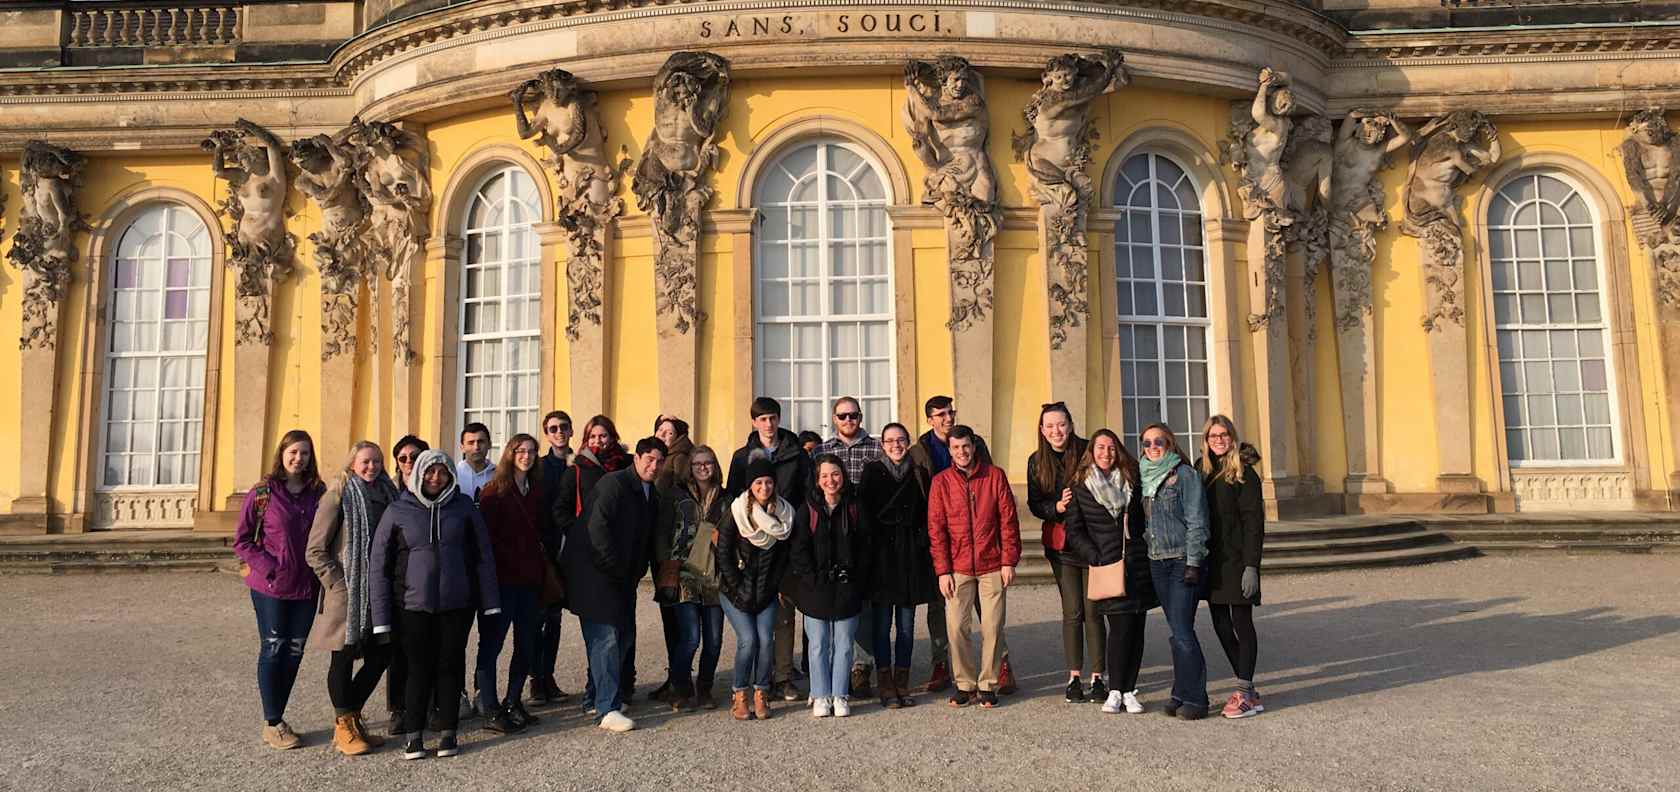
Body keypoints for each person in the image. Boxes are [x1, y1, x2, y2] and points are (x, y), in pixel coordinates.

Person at [371, 449, 501, 760]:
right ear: (419, 474)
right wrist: (381, 617)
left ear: (450, 476)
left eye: (442, 472)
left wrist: (490, 602)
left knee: (450, 666)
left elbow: (483, 555)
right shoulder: (398, 510)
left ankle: (448, 731)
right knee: (417, 669)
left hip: (456, 604)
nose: (435, 477)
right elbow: (379, 564)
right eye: (430, 471)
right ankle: (414, 735)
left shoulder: (464, 508)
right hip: (412, 605)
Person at [907, 396, 1012, 694]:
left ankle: (998, 671)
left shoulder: (982, 454)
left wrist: (1007, 558)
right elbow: (929, 513)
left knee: (992, 622)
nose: (947, 418)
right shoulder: (921, 453)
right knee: (948, 618)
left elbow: (1002, 510)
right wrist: (941, 564)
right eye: (940, 414)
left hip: (987, 550)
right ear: (930, 419)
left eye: (950, 412)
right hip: (949, 548)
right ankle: (947, 668)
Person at [563, 437, 665, 733]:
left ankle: (595, 699)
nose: (654, 466)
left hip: (622, 577)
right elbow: (597, 529)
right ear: (637, 458)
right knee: (605, 640)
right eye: (649, 459)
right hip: (595, 574)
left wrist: (635, 572)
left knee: (620, 637)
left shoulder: (651, 492)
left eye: (659, 461)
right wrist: (616, 569)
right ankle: (606, 709)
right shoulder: (614, 484)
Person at [306, 440, 400, 756]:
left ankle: (351, 716)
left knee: (382, 654)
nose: (372, 467)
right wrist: (337, 583)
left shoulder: (389, 493)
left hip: (380, 590)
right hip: (348, 591)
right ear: (352, 463)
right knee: (343, 657)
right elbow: (315, 550)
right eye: (365, 461)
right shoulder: (338, 495)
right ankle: (344, 725)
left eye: (377, 461)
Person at [233, 429, 326, 750]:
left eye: (305, 453)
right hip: (271, 586)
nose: (299, 458)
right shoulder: (263, 493)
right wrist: (270, 567)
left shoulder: (318, 492)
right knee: (274, 647)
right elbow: (242, 540)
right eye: (293, 452)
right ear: (282, 454)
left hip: (306, 586)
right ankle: (272, 722)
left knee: (295, 650)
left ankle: (278, 716)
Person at [1060, 429, 1157, 715]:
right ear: (1092, 451)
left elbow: (1142, 520)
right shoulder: (1080, 485)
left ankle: (1129, 690)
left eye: (1111, 448)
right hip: (1107, 565)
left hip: (1136, 563)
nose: (1106, 453)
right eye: (1101, 448)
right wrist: (1095, 556)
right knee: (1119, 628)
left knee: (1137, 629)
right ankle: (1115, 689)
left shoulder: (1132, 480)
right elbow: (1074, 530)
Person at [725, 397, 813, 702]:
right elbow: (734, 499)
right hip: (752, 545)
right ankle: (757, 679)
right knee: (757, 614)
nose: (769, 424)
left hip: (786, 539)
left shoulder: (797, 454)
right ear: (754, 422)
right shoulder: (742, 457)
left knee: (784, 614)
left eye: (773, 417)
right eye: (762, 419)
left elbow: (806, 495)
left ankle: (783, 677)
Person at [927, 425, 1020, 709]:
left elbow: (1008, 521)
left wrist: (1008, 560)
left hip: (992, 564)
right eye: (956, 447)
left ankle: (988, 684)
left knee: (992, 627)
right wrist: (942, 570)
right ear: (950, 450)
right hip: (957, 566)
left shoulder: (994, 476)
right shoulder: (941, 482)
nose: (962, 452)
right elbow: (936, 529)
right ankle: (965, 684)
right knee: (956, 627)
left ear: (974, 446)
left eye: (966, 446)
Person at [552, 415, 632, 711]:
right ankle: (596, 696)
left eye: (604, 436)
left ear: (613, 437)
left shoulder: (626, 466)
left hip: (622, 557)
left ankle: (614, 690)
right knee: (602, 633)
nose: (599, 441)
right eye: (593, 436)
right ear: (586, 440)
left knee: (624, 631)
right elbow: (560, 510)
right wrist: (580, 533)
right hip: (590, 560)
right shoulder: (576, 470)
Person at [1025, 402, 1104, 704]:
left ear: (1070, 425)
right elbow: (1035, 503)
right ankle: (1074, 677)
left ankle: (1098, 676)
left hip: (1092, 543)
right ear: (1042, 430)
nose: (1056, 431)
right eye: (1050, 426)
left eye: (1061, 424)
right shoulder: (1036, 461)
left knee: (1094, 611)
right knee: (1073, 612)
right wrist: (1055, 507)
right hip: (1062, 546)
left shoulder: (1087, 451)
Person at [473, 433, 548, 734]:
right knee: (491, 645)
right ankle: (490, 708)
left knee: (526, 644)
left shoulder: (536, 491)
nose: (526, 456)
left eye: (531, 451)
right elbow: (485, 542)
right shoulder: (494, 492)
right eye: (520, 451)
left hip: (530, 581)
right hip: (501, 583)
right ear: (510, 454)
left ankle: (513, 701)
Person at [860, 422, 937, 709]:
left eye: (901, 440)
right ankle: (885, 681)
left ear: (908, 442)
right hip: (882, 560)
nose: (896, 445)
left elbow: (927, 513)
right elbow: (864, 516)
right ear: (882, 445)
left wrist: (921, 544)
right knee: (881, 627)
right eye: (890, 440)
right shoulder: (872, 472)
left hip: (909, 560)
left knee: (906, 626)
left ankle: (902, 680)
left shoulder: (919, 472)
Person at [1137, 422, 1211, 720]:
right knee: (1176, 630)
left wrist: (1194, 562)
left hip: (1181, 560)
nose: (1153, 447)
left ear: (1170, 443)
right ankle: (1180, 692)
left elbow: (1197, 521)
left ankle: (1197, 698)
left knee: (1182, 631)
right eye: (1147, 443)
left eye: (1159, 442)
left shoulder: (1185, 475)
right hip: (1157, 561)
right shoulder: (1143, 476)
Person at [788, 454, 871, 718]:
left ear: (843, 475)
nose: (830, 480)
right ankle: (821, 693)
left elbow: (866, 546)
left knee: (844, 644)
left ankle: (840, 694)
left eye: (835, 474)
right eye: (824, 475)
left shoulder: (855, 506)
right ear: (817, 480)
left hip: (847, 585)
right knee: (818, 644)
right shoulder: (807, 509)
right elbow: (798, 550)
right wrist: (811, 578)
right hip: (816, 587)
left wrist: (857, 577)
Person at [1197, 415, 1267, 719]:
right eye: (1213, 436)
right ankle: (1247, 688)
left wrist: (1252, 565)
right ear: (1206, 440)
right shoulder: (1202, 471)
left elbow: (1254, 524)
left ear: (1232, 437)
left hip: (1238, 561)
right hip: (1213, 562)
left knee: (1242, 623)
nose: (1219, 440)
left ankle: (1244, 691)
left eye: (1223, 434)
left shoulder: (1244, 473)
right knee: (1221, 625)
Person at [813, 396, 884, 697]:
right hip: (829, 536)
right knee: (827, 606)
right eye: (842, 416)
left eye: (853, 415)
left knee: (862, 606)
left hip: (863, 534)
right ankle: (829, 670)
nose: (848, 420)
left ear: (860, 416)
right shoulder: (821, 451)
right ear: (834, 418)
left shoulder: (877, 448)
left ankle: (861, 669)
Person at [715, 459, 793, 721]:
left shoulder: (784, 514)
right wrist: (739, 588)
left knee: (766, 641)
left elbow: (784, 558)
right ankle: (740, 694)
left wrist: (774, 586)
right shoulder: (736, 512)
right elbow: (723, 554)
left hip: (766, 591)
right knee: (748, 641)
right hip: (734, 591)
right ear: (750, 485)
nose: (764, 487)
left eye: (769, 482)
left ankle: (761, 692)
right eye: (758, 482)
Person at [654, 445, 728, 710]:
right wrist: (666, 564)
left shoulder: (726, 498)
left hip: (715, 576)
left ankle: (704, 689)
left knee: (714, 640)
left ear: (715, 466)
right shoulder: (676, 495)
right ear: (690, 468)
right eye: (697, 464)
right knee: (690, 638)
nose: (703, 468)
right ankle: (681, 688)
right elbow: (661, 532)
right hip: (684, 573)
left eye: (708, 463)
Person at [381, 435, 428, 730]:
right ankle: (398, 708)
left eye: (415, 456)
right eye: (403, 458)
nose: (409, 462)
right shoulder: (389, 494)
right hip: (396, 579)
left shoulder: (436, 487)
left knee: (429, 647)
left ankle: (428, 704)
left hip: (424, 581)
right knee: (398, 649)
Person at [650, 414, 693, 705]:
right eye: (660, 430)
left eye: (669, 431)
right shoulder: (656, 457)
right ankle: (676, 676)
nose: (664, 435)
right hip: (661, 548)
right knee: (671, 618)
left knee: (681, 620)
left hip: (676, 550)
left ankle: (681, 680)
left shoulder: (681, 459)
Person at [531, 411, 572, 705]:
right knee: (539, 619)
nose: (559, 432)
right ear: (547, 434)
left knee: (555, 620)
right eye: (553, 428)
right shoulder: (540, 467)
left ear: (571, 431)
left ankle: (549, 676)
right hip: (545, 550)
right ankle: (536, 679)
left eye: (563, 427)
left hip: (570, 549)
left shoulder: (578, 464)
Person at [455, 422, 495, 501]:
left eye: (481, 442)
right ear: (462, 447)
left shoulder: (499, 476)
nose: (476, 447)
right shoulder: (453, 476)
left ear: (489, 444)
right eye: (471, 443)